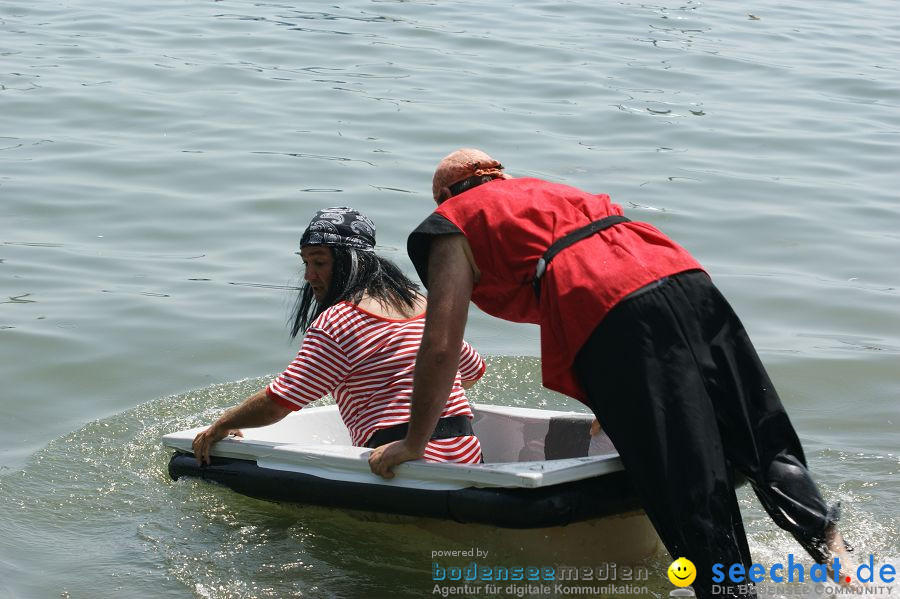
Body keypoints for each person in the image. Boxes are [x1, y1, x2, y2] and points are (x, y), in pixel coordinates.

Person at [367, 150, 857, 598]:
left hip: (611, 307)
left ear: (444, 196)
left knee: (680, 468)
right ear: (500, 176)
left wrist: (414, 443)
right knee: (754, 430)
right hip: (681, 273)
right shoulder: (555, 194)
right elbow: (606, 267)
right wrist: (606, 398)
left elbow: (440, 347)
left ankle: (729, 593)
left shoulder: (453, 221)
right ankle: (842, 561)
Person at [193, 206, 485, 466]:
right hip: (468, 455)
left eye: (319, 263)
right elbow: (473, 371)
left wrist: (221, 424)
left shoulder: (339, 322)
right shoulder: (422, 303)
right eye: (306, 263)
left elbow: (279, 402)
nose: (309, 276)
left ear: (350, 262)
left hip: (400, 462)